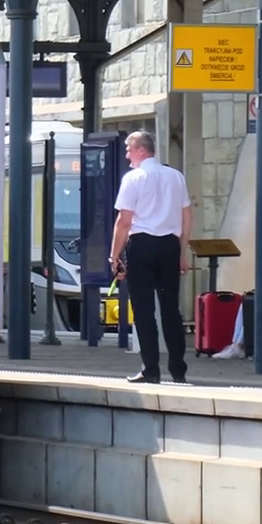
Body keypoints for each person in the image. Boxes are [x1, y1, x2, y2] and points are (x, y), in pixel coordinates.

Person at [109, 130, 192, 384]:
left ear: (141, 150)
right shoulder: (176, 176)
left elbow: (124, 221)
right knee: (170, 309)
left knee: (144, 311)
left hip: (142, 246)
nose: (127, 155)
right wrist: (182, 252)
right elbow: (187, 217)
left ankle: (151, 369)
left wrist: (114, 256)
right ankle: (178, 370)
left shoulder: (133, 178)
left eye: (129, 149)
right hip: (169, 246)